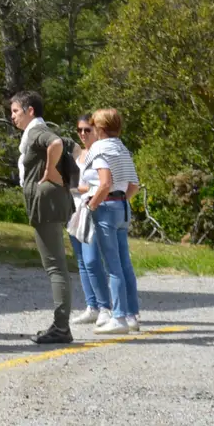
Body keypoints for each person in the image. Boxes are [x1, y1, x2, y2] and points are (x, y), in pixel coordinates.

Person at [9, 90, 75, 345]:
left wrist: (49, 172)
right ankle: (61, 325)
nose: (12, 117)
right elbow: (74, 147)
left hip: (45, 205)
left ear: (30, 111)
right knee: (56, 265)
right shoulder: (36, 132)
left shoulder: (36, 132)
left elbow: (56, 143)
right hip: (51, 202)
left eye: (15, 111)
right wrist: (67, 180)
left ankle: (61, 327)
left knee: (55, 266)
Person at [84, 108, 142, 335]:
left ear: (100, 128)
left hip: (106, 207)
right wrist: (120, 201)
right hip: (122, 207)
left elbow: (104, 182)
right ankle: (131, 314)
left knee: (113, 266)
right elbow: (133, 185)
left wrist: (92, 205)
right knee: (125, 264)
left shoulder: (99, 148)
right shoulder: (122, 148)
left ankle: (117, 317)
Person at [68, 114, 112, 328]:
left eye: (87, 129)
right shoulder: (79, 153)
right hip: (74, 210)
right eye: (80, 130)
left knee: (93, 260)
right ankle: (92, 306)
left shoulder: (101, 153)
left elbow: (103, 184)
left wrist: (76, 188)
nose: (83, 134)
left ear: (97, 130)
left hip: (91, 208)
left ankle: (105, 307)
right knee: (82, 262)